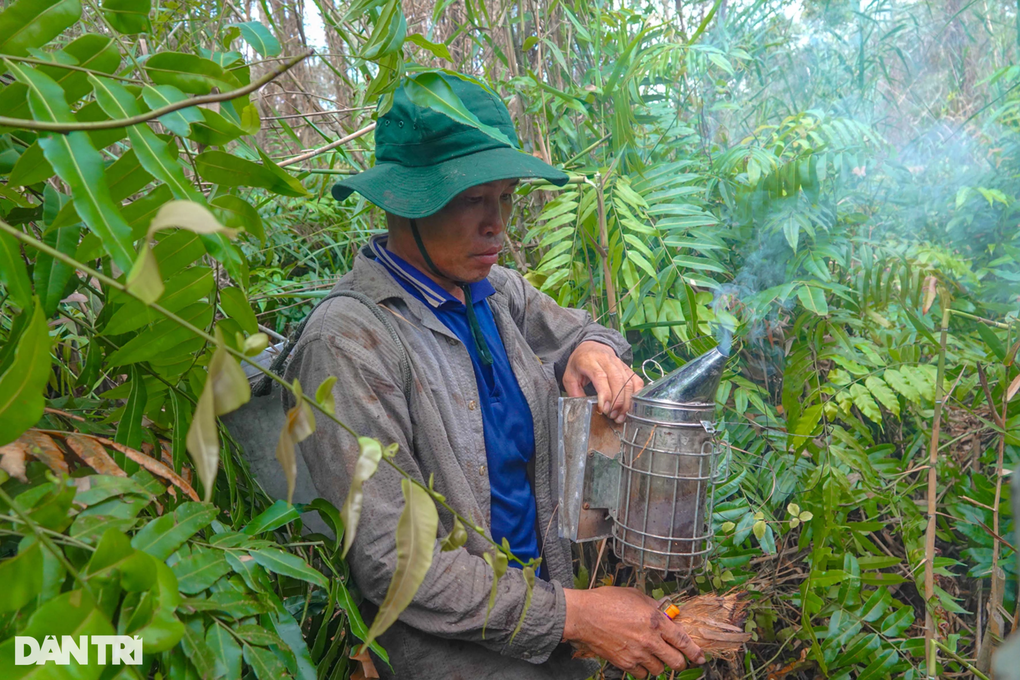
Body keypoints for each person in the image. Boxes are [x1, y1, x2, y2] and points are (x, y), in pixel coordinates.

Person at [284, 72, 705, 679]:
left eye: (504, 198)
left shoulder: (494, 291)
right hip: (453, 657)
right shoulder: (352, 342)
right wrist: (575, 617)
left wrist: (590, 350)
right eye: (472, 201)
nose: (497, 225)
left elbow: (578, 331)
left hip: (556, 612)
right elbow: (392, 558)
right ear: (407, 202)